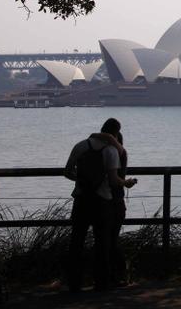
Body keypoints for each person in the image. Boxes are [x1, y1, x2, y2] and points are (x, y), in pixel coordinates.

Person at [64, 118, 137, 291]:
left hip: (81, 199)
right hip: (101, 201)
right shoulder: (111, 150)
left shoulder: (80, 145)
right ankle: (101, 282)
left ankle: (74, 282)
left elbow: (67, 171)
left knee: (76, 241)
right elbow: (113, 179)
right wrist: (125, 183)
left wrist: (82, 181)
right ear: (115, 133)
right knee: (102, 242)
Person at [109, 131, 130, 286]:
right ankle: (120, 274)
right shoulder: (116, 156)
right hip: (117, 202)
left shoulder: (116, 154)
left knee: (109, 240)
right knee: (111, 240)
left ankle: (119, 274)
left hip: (112, 203)